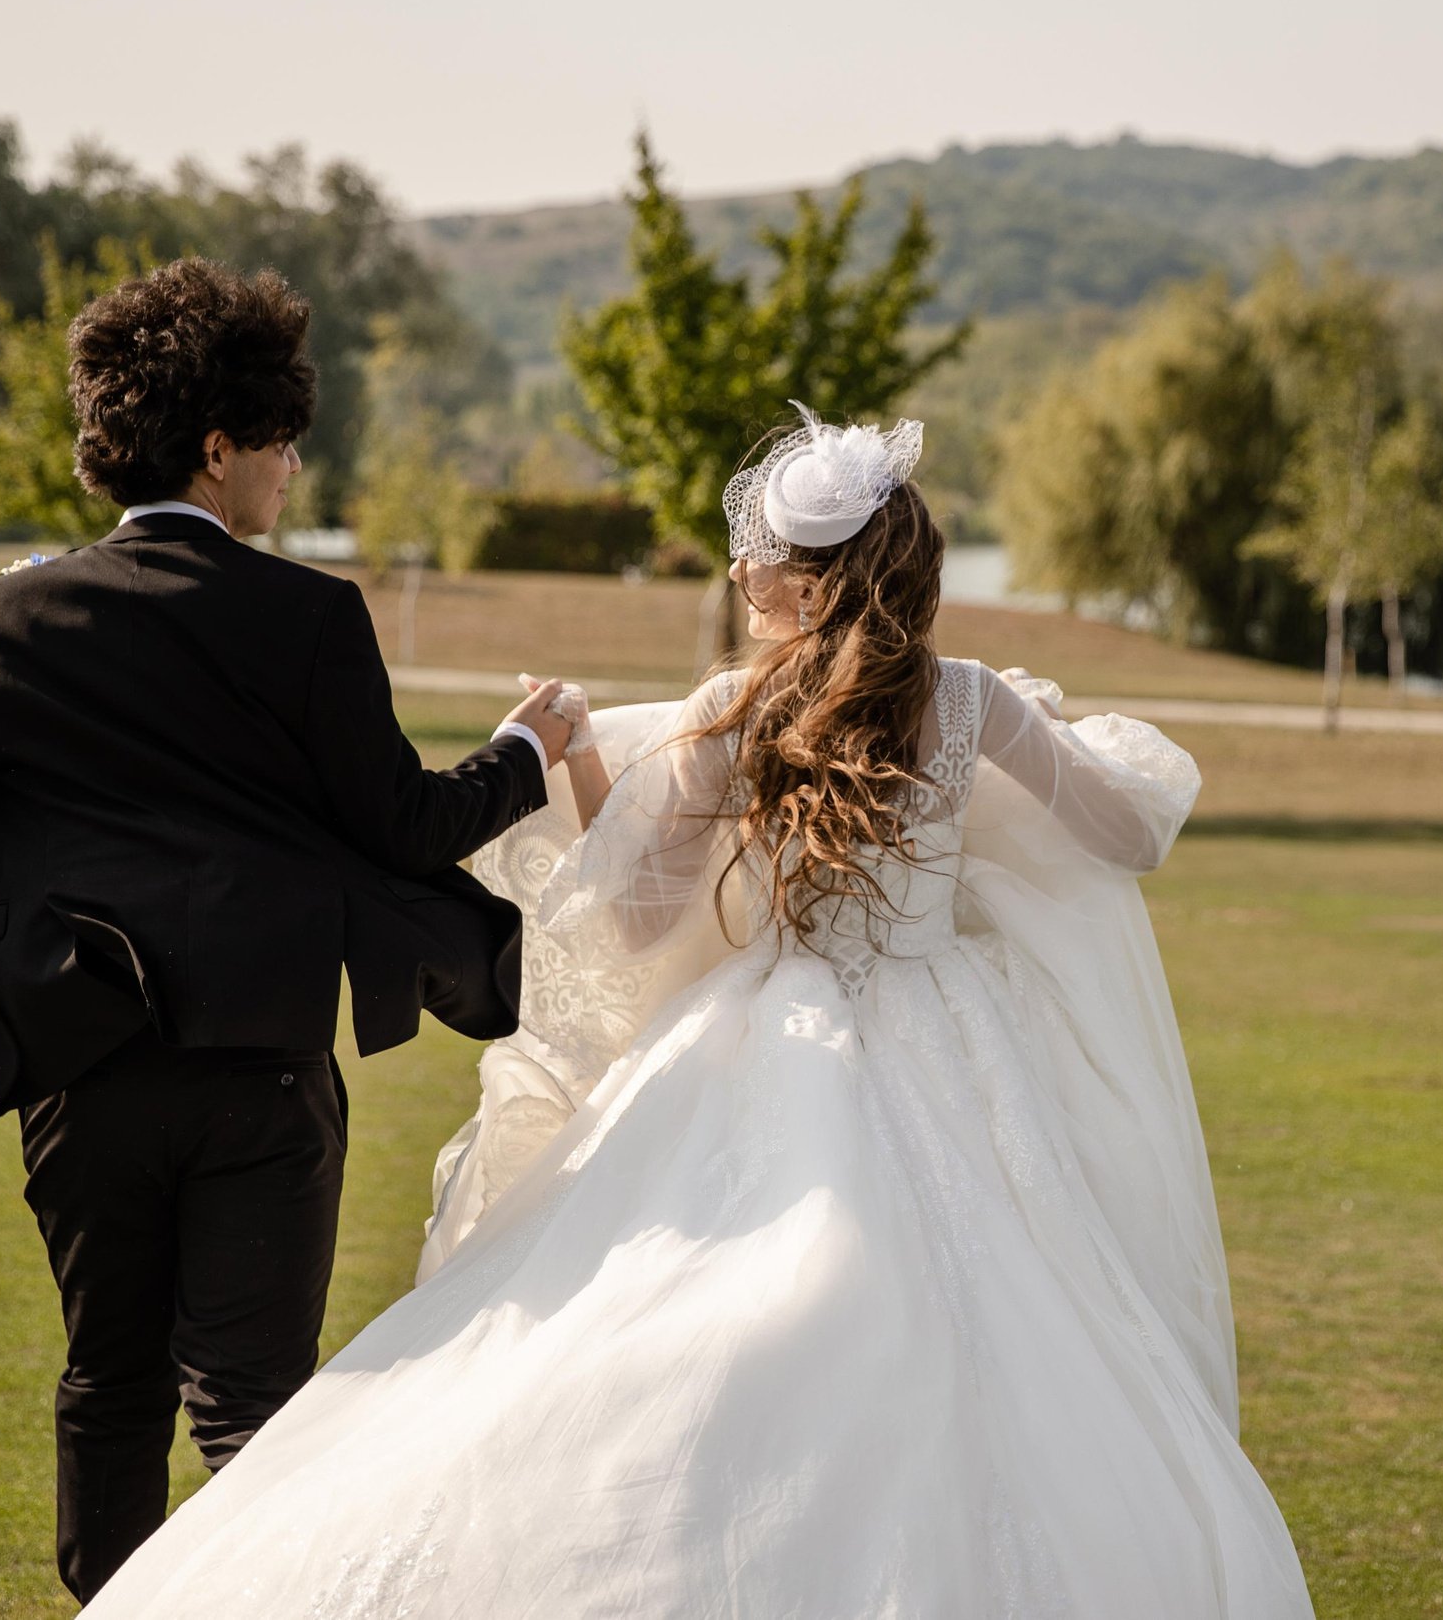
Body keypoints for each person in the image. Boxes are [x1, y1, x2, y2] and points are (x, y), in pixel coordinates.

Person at [85, 406, 1315, 1618]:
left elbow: (634, 916)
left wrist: (579, 758)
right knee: (1010, 1308)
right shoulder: (973, 701)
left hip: (770, 1031)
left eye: (757, 558)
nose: (738, 573)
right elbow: (1126, 835)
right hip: (952, 1033)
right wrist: (1054, 762)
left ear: (812, 585)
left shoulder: (738, 707)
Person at [0, 258, 575, 1602]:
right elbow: (407, 825)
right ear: (218, 445)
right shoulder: (309, 616)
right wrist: (524, 750)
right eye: (282, 440)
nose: (293, 469)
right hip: (264, 1082)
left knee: (109, 1381)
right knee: (256, 1415)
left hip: (82, 1086)